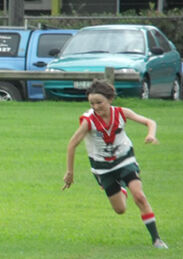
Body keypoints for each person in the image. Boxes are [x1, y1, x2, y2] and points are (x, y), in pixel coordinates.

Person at [62, 80, 168, 249]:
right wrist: (70, 172)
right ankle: (121, 190)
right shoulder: (88, 121)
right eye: (92, 103)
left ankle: (157, 239)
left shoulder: (121, 112)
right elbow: (72, 144)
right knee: (120, 210)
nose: (96, 107)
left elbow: (150, 122)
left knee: (139, 196)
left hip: (124, 159)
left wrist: (151, 135)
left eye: (99, 102)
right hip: (102, 167)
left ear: (110, 99)